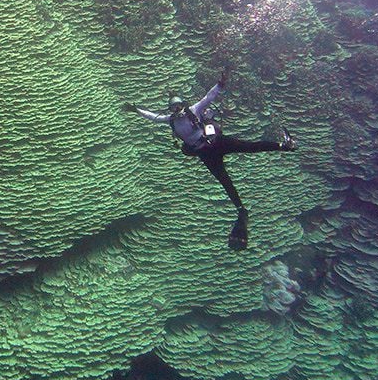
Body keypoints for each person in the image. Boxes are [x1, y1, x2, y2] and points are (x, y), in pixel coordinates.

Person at [124, 71, 296, 251]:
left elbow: (209, 97)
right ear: (170, 110)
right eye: (173, 109)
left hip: (215, 143)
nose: (176, 111)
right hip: (205, 153)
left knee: (248, 146)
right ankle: (241, 210)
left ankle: (284, 146)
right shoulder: (171, 121)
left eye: (178, 107)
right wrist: (136, 110)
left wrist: (220, 84)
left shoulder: (194, 110)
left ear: (183, 105)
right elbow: (153, 117)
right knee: (224, 180)